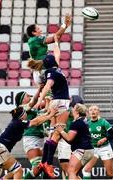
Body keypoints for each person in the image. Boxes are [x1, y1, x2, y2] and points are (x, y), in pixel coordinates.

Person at [28, 34, 70, 178]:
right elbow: (47, 87)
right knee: (58, 132)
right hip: (61, 102)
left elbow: (57, 53)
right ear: (52, 62)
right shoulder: (52, 72)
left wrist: (57, 42)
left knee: (52, 134)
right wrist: (40, 100)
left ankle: (44, 162)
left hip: (55, 102)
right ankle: (48, 163)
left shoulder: (53, 68)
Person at [0, 106, 57, 179]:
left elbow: (36, 120)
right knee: (18, 171)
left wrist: (47, 113)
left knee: (16, 171)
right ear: (23, 115)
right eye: (25, 112)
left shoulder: (16, 122)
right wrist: (50, 115)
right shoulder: (18, 122)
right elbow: (35, 122)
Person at [26, 13, 71, 85]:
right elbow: (55, 37)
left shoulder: (32, 40)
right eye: (38, 29)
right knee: (54, 91)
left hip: (38, 70)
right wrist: (64, 25)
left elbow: (56, 37)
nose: (40, 30)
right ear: (34, 32)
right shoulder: (36, 39)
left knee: (45, 93)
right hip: (44, 70)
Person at [15, 86, 47, 179]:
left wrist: (47, 94)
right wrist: (39, 89)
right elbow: (33, 102)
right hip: (31, 138)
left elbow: (45, 104)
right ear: (22, 100)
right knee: (38, 167)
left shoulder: (32, 108)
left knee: (44, 167)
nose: (30, 96)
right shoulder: (21, 108)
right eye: (27, 95)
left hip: (41, 137)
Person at [56, 103, 94, 180]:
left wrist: (61, 131)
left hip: (82, 149)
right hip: (87, 150)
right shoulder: (83, 121)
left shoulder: (76, 122)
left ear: (77, 111)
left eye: (74, 108)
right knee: (74, 172)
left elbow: (69, 138)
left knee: (71, 171)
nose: (72, 109)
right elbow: (71, 140)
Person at [82, 105, 113, 179]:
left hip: (105, 148)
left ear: (98, 112)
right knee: (86, 170)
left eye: (95, 109)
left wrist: (104, 139)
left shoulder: (103, 122)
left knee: (110, 174)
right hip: (93, 149)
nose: (93, 111)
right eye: (91, 110)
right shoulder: (87, 124)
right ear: (88, 113)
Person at [57, 95, 84, 180]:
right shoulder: (68, 111)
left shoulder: (69, 112)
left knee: (70, 172)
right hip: (71, 143)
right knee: (69, 173)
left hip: (68, 142)